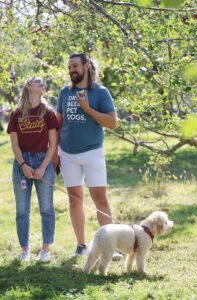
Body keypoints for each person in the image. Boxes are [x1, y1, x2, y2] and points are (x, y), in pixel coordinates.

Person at [54, 52, 123, 260]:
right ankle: (81, 246)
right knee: (75, 200)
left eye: (75, 65)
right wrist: (55, 152)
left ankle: (111, 246)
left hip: (93, 152)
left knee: (100, 198)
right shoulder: (64, 93)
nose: (71, 69)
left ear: (86, 67)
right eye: (69, 67)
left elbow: (112, 123)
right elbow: (58, 124)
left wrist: (87, 109)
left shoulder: (100, 92)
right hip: (67, 154)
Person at [7, 76, 59, 262]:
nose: (43, 85)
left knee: (46, 208)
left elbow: (53, 143)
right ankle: (25, 250)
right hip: (22, 163)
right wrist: (23, 165)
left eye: (43, 83)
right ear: (29, 86)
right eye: (38, 83)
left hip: (42, 159)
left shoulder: (48, 113)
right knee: (22, 210)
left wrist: (43, 167)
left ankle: (45, 249)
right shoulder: (16, 114)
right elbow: (14, 145)